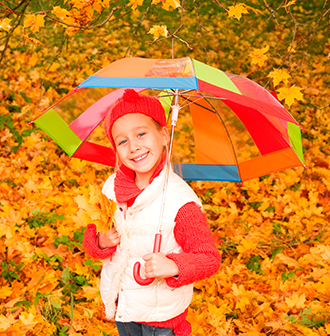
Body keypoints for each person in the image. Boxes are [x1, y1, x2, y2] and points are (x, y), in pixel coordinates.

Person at [83, 89, 221, 336]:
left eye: (141, 134)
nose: (133, 146)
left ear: (164, 135)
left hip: (162, 318)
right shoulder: (110, 190)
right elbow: (92, 234)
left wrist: (174, 266)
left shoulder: (180, 202)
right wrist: (100, 242)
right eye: (122, 141)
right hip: (123, 304)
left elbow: (208, 257)